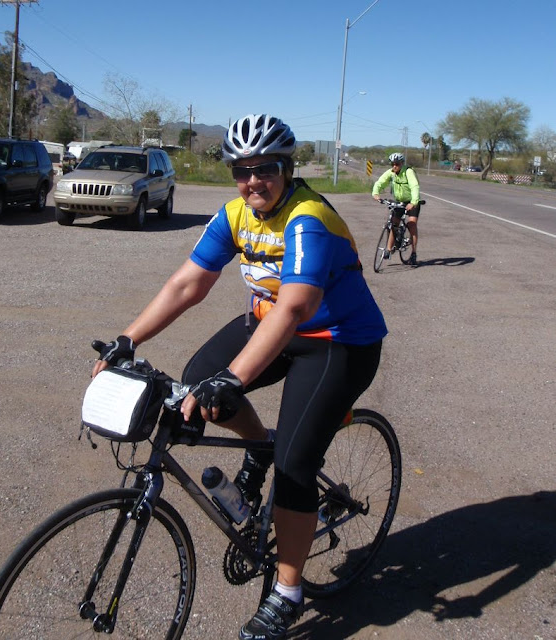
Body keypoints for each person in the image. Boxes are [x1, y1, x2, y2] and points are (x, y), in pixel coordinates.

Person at [92, 114, 387, 640]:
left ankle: (288, 592)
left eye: (265, 169)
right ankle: (258, 446)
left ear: (286, 169)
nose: (253, 181)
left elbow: (295, 308)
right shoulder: (234, 214)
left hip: (337, 341)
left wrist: (234, 376)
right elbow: (188, 283)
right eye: (242, 171)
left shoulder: (308, 218)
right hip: (271, 325)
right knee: (196, 381)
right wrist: (128, 339)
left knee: (295, 465)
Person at [372, 152, 421, 266]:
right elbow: (380, 182)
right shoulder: (391, 173)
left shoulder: (408, 172)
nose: (394, 166)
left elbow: (414, 186)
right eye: (392, 164)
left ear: (402, 163)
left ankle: (414, 253)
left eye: (397, 164)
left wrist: (413, 202)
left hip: (412, 202)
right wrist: (375, 193)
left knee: (412, 224)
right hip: (399, 201)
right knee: (394, 223)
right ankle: (389, 249)